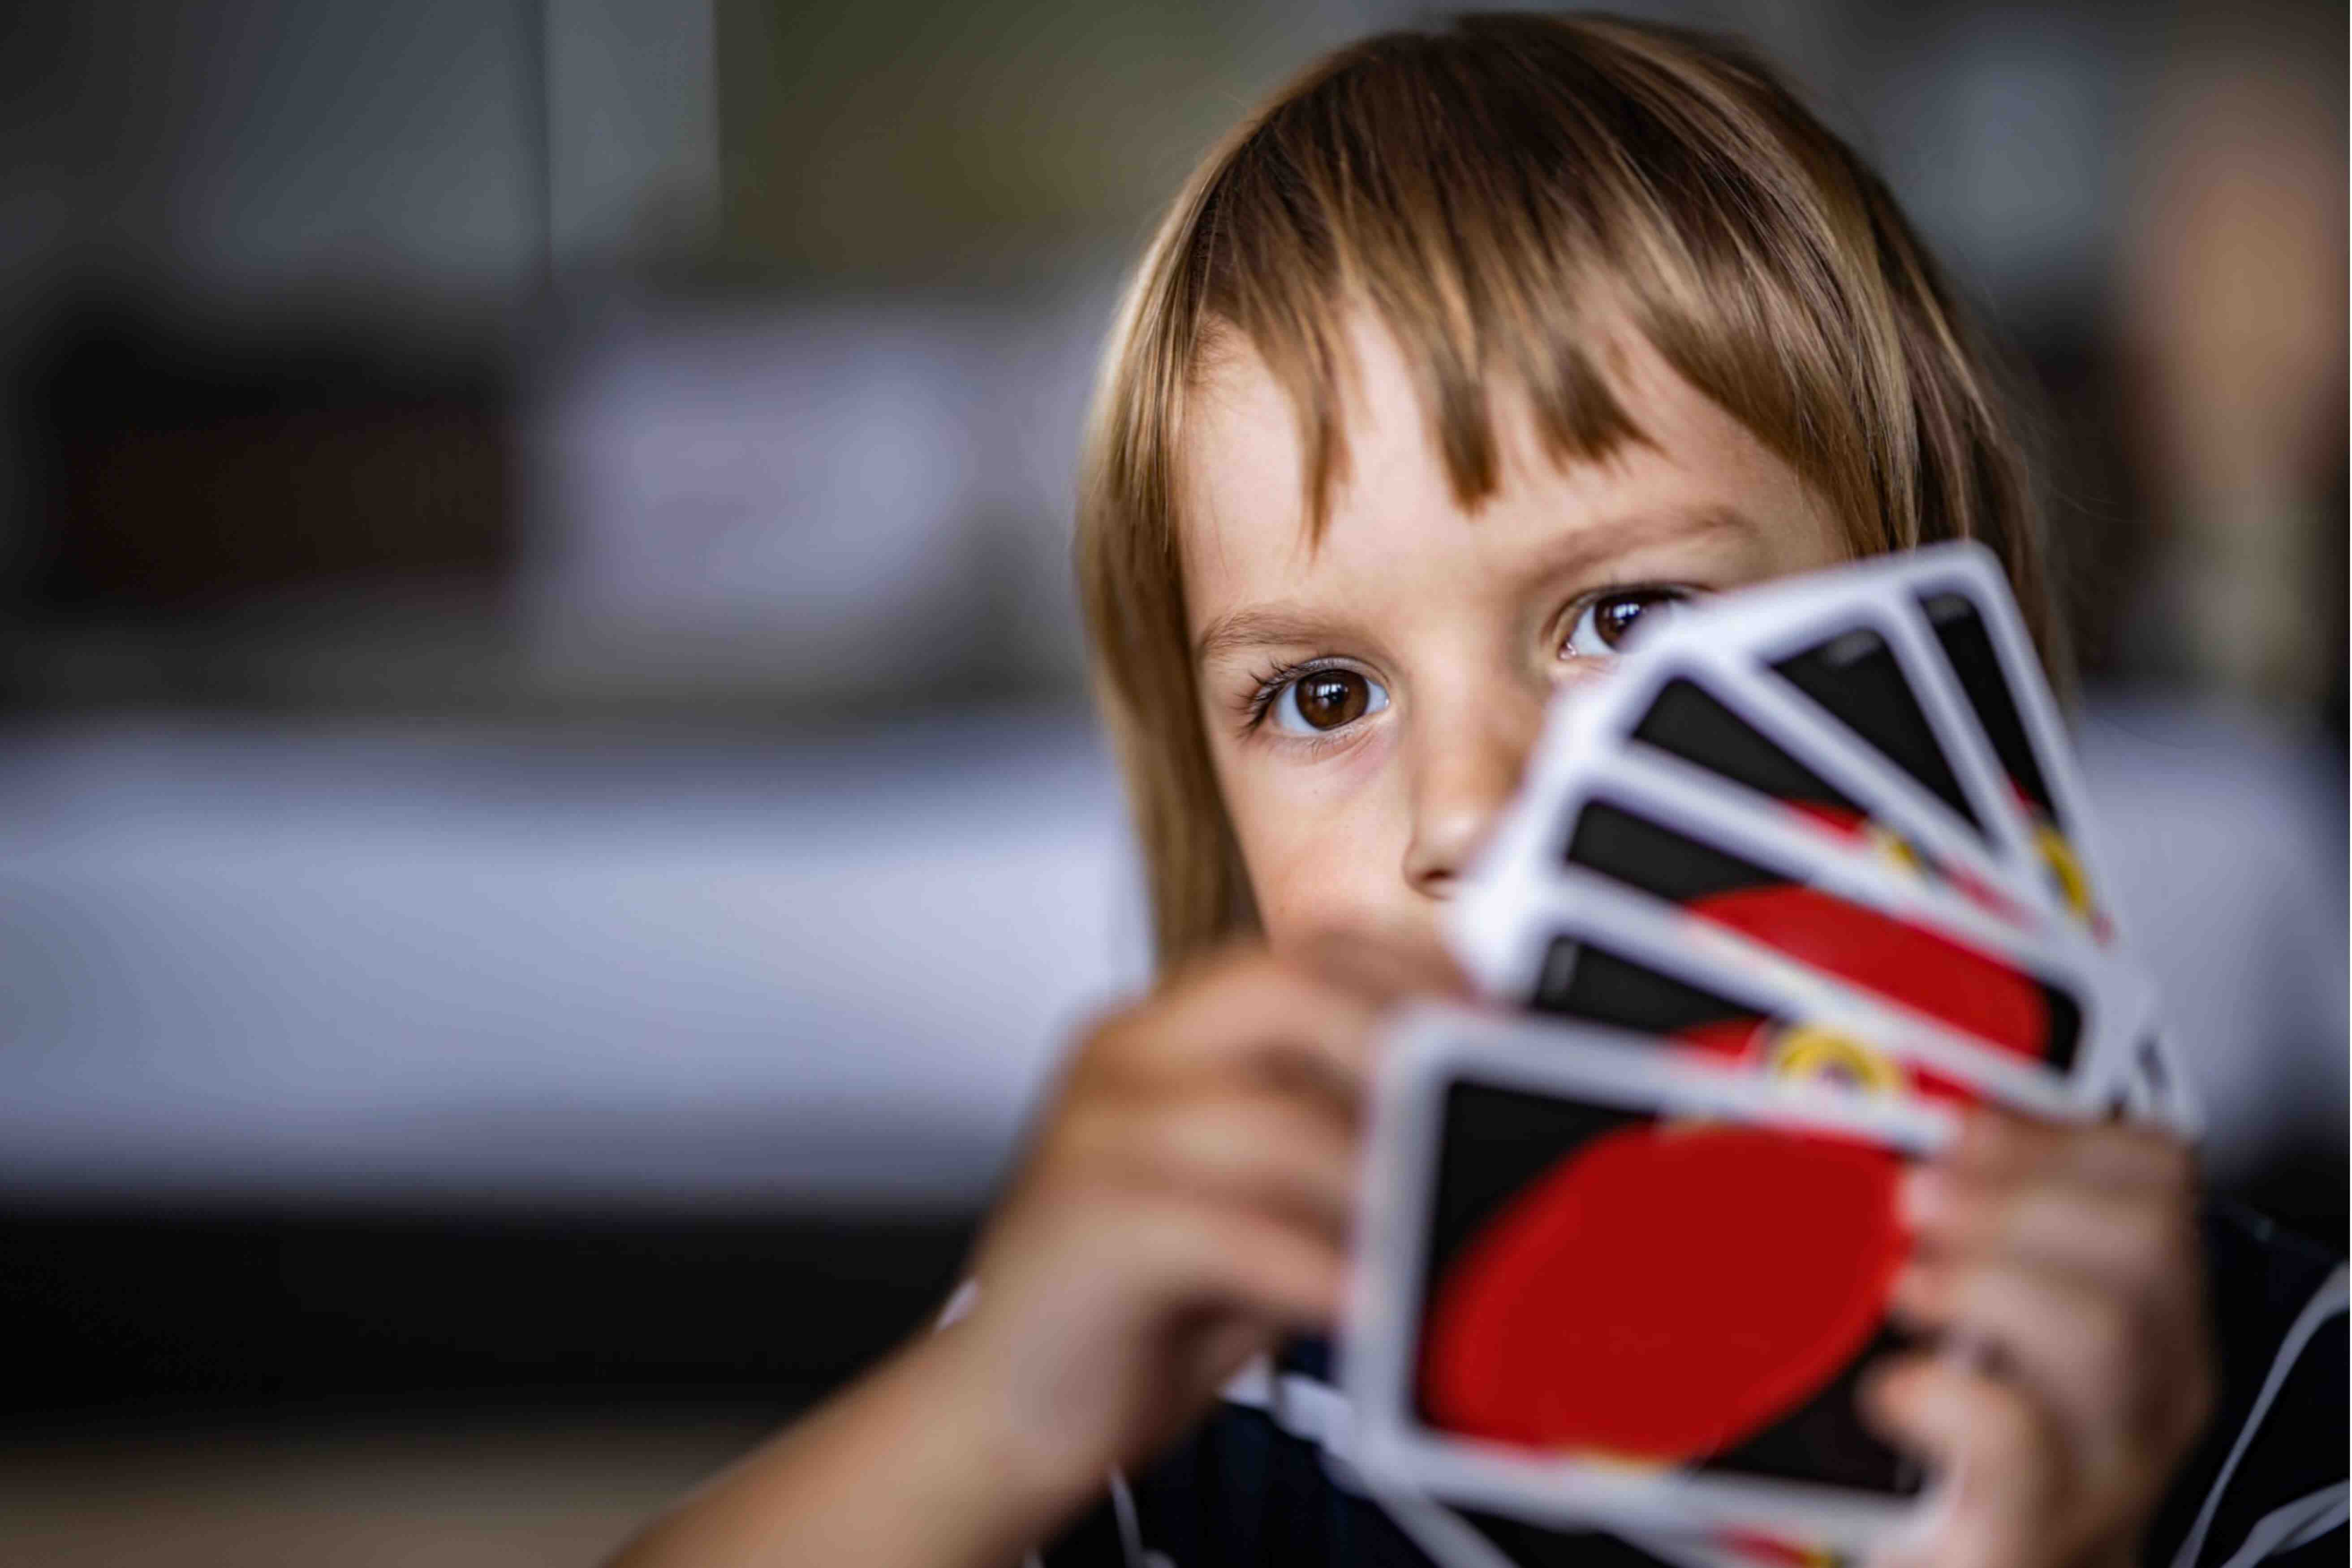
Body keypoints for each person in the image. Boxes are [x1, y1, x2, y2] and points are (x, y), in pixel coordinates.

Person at [612, 15, 2343, 1567]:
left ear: (1928, 676)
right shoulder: (1166, 1380)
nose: (1467, 811)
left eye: (1623, 622)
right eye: (1322, 694)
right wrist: (988, 1416)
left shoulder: (2265, 1393)